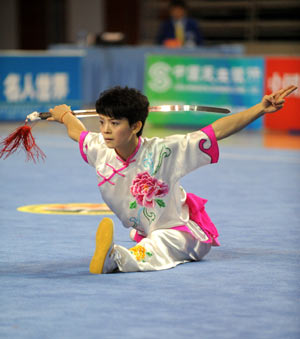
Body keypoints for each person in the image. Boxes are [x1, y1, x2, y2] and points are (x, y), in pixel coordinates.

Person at [48, 84, 297, 274]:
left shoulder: (164, 151)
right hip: (146, 230)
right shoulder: (100, 149)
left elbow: (216, 131)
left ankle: (117, 260)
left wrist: (261, 109)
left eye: (114, 123)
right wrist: (65, 116)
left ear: (135, 126)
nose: (105, 130)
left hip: (181, 232)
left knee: (161, 241)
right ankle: (120, 255)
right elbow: (78, 133)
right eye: (102, 122)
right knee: (152, 241)